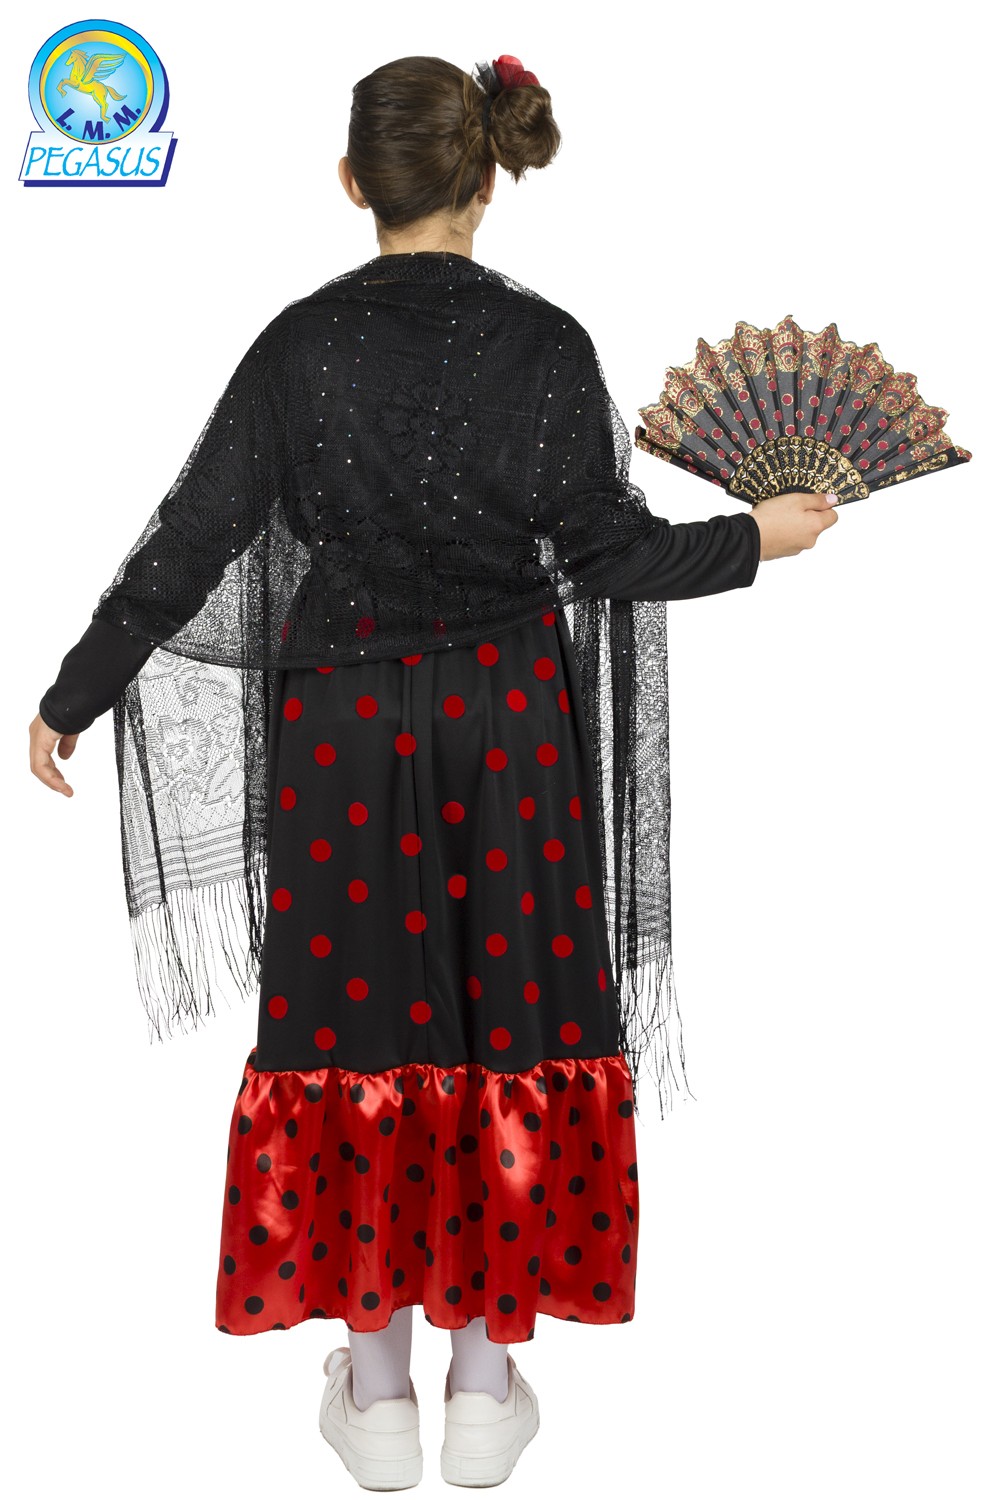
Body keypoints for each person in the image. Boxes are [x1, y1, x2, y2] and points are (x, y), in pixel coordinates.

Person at [28, 54, 838, 1492]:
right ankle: (482, 1387)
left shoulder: (297, 348)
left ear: (354, 183)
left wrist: (74, 695)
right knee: (504, 1018)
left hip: (342, 731)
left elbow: (190, 539)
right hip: (508, 727)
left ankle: (376, 1394)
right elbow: (614, 553)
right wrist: (758, 539)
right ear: (486, 183)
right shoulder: (547, 346)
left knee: (357, 1029)